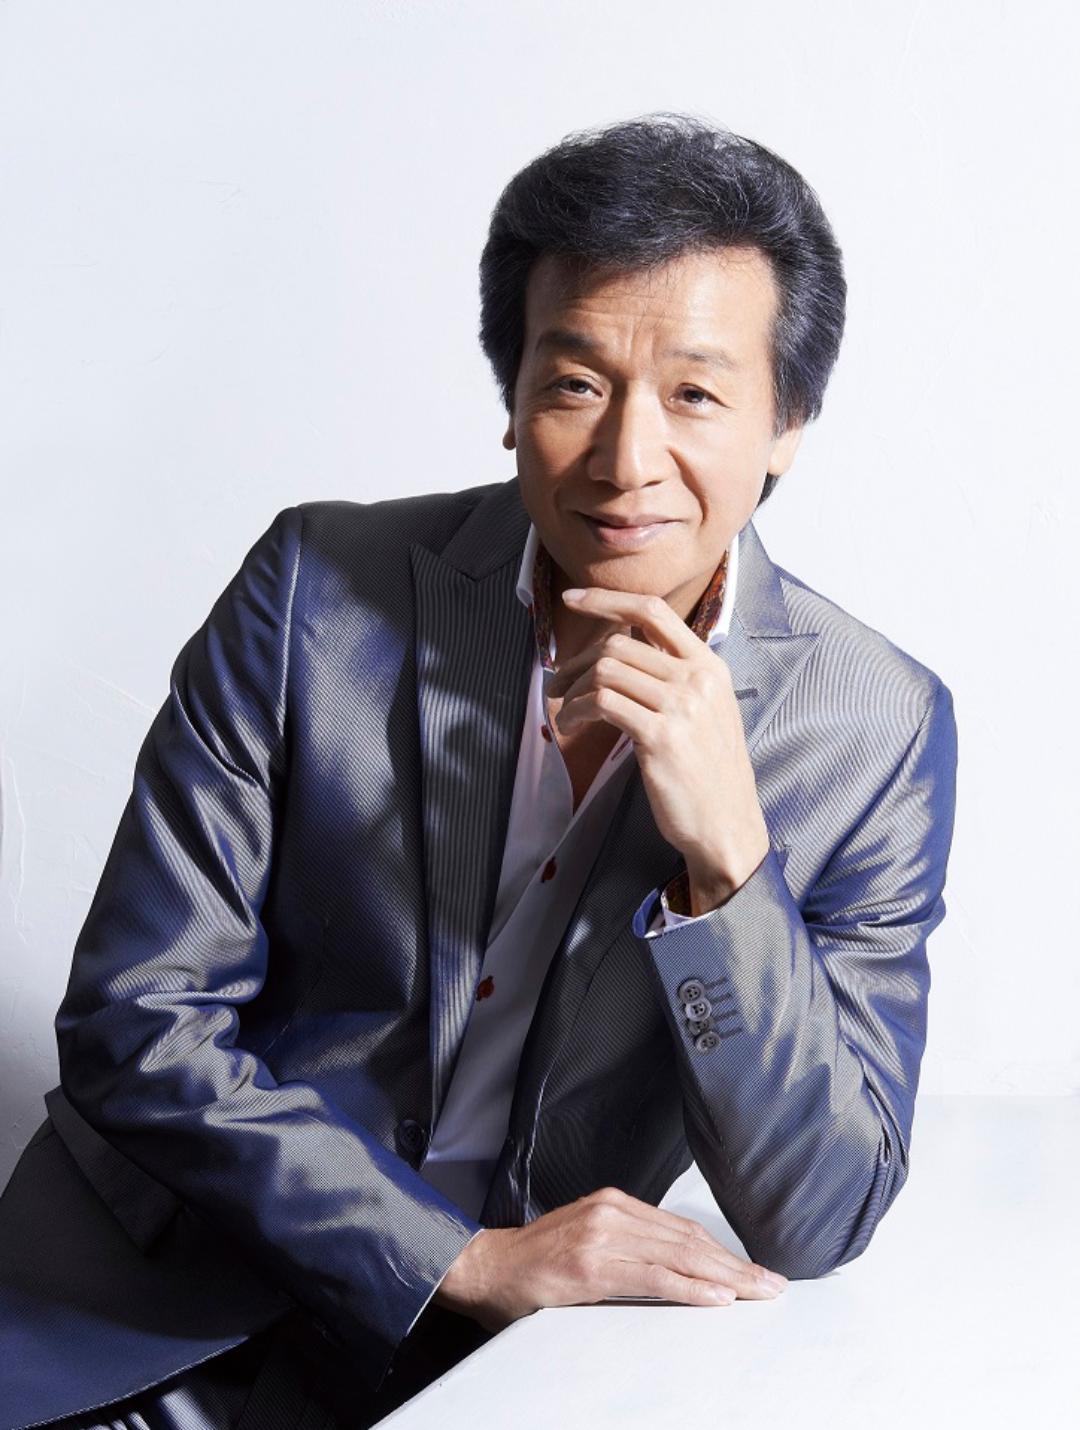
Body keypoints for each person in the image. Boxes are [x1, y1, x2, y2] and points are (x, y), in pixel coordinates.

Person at [0, 113, 957, 1430]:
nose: (628, 460)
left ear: (786, 423)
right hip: (162, 1310)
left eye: (695, 394)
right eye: (576, 384)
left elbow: (822, 1210)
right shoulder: (314, 592)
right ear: (512, 400)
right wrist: (455, 1258)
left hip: (517, 1372)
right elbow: (136, 1015)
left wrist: (730, 866)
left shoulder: (875, 728)